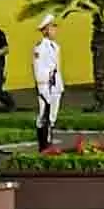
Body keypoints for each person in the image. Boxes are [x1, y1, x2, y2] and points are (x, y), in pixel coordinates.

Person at [31, 12, 66, 152]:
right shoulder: (40, 47)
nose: (54, 30)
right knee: (43, 115)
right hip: (46, 85)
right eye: (52, 27)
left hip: (55, 84)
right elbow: (38, 68)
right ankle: (44, 146)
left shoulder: (54, 46)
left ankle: (49, 143)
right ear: (45, 30)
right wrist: (42, 88)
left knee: (52, 116)